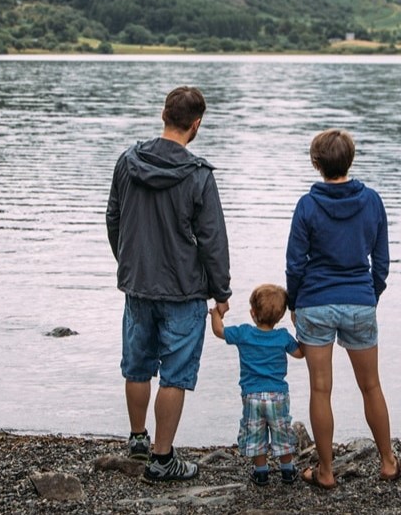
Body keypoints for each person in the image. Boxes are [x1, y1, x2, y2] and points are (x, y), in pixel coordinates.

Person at [106, 85, 231, 483]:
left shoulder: (127, 161)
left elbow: (113, 218)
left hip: (137, 284)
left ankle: (138, 439)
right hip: (183, 289)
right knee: (174, 374)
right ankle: (162, 459)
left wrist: (129, 262)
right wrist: (222, 293)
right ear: (196, 125)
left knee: (137, 365)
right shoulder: (198, 176)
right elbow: (212, 240)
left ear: (163, 114)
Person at [285, 128, 401, 489]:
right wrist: (371, 293)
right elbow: (381, 261)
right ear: (350, 160)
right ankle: (388, 462)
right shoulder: (372, 201)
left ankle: (325, 471)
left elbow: (295, 264)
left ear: (316, 164)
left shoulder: (307, 205)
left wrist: (294, 302)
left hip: (315, 303)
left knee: (320, 390)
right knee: (371, 387)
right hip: (359, 300)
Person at [209, 283, 305, 486]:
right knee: (281, 431)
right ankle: (287, 470)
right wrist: (300, 327)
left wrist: (215, 312)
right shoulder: (282, 337)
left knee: (255, 433)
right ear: (280, 317)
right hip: (278, 395)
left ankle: (261, 472)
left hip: (251, 395)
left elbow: (219, 331)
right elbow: (300, 353)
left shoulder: (244, 333)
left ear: (252, 313)